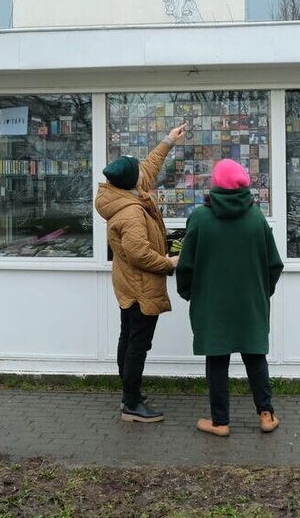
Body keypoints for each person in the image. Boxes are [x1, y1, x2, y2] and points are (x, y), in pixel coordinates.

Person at [176, 159, 284, 437]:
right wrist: (263, 292)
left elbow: (186, 264)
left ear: (216, 183)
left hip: (212, 302)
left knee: (217, 358)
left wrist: (189, 292)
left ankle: (220, 421)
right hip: (250, 302)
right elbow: (274, 264)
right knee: (255, 354)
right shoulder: (256, 217)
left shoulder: (200, 217)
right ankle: (266, 414)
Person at [95, 121, 188, 423]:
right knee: (138, 343)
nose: (143, 175)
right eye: (138, 174)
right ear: (132, 183)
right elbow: (138, 253)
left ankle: (128, 395)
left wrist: (167, 141)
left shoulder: (123, 194)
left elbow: (147, 168)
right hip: (140, 286)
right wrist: (168, 263)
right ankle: (131, 403)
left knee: (129, 337)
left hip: (128, 285)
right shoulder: (132, 212)